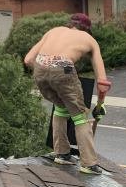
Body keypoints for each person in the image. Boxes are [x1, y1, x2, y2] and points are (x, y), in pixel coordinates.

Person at [24, 13, 111, 174]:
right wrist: (100, 104)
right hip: (63, 68)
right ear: (86, 29)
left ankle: (62, 154)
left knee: (60, 107)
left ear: (70, 24)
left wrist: (45, 70)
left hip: (40, 68)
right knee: (80, 116)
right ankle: (89, 164)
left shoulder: (53, 31)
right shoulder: (89, 39)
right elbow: (102, 81)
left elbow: (29, 59)